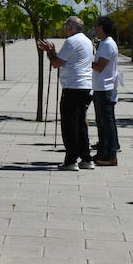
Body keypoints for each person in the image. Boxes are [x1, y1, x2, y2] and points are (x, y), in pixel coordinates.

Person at [37, 17, 95, 171]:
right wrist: (53, 51)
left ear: (71, 27)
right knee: (81, 124)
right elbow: (64, 60)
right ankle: (86, 158)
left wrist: (49, 51)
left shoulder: (71, 41)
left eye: (65, 25)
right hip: (85, 86)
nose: (64, 27)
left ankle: (71, 160)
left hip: (73, 87)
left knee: (70, 125)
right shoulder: (86, 40)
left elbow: (56, 63)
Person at [90, 16, 121, 166]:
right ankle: (102, 151)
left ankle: (111, 154)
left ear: (102, 28)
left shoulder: (108, 44)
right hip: (99, 87)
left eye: (97, 26)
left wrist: (86, 62)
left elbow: (100, 66)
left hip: (105, 88)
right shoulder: (103, 44)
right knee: (101, 122)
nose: (95, 29)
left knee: (107, 123)